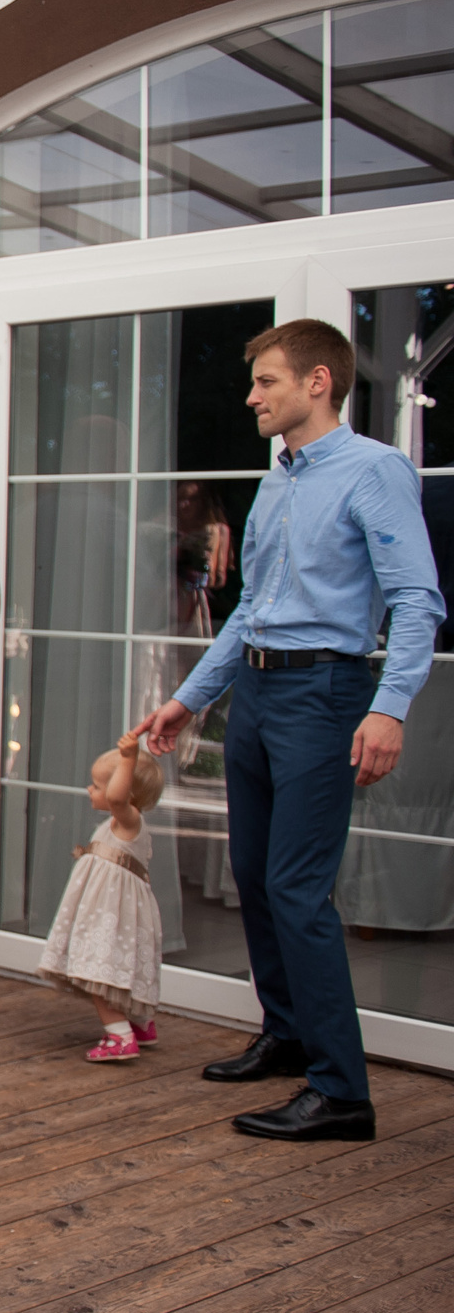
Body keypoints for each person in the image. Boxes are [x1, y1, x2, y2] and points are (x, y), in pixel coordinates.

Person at [135, 318, 443, 1145]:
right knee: (257, 875)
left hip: (326, 694)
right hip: (259, 697)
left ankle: (342, 1092)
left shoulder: (374, 471)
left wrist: (390, 707)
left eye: (266, 380)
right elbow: (249, 614)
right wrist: (191, 699)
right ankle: (288, 1033)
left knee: (300, 891)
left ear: (317, 383)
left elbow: (417, 602)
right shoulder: (280, 480)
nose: (251, 396)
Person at [39, 732, 167, 1063]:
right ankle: (140, 1025)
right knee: (112, 971)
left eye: (97, 786)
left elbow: (118, 799)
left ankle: (120, 1036)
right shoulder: (115, 824)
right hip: (106, 911)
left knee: (100, 972)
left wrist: (128, 759)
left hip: (112, 916)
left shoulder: (128, 820)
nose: (90, 791)